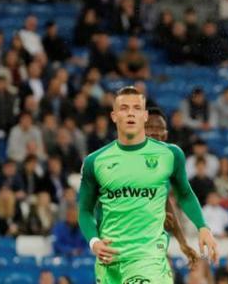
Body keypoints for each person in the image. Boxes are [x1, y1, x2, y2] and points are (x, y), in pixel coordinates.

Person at [78, 86, 217, 283]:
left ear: (144, 116)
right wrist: (94, 242)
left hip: (149, 259)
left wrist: (202, 227)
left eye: (136, 108)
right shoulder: (95, 161)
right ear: (114, 116)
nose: (130, 113)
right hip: (109, 262)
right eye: (124, 108)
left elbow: (184, 194)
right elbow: (84, 210)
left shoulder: (170, 155)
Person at [146, 107, 200, 267]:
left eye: (159, 128)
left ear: (166, 134)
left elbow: (166, 201)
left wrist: (183, 242)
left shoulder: (168, 160)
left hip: (153, 243)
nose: (154, 132)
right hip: (127, 241)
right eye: (149, 127)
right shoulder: (124, 158)